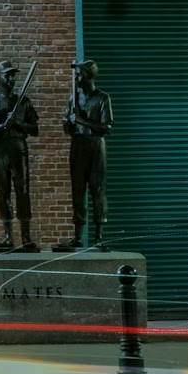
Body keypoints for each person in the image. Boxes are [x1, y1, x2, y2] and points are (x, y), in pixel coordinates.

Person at [0, 60, 39, 252]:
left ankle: (26, 235)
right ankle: (8, 236)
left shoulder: (24, 101)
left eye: (13, 75)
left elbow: (35, 129)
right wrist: (2, 126)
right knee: (2, 193)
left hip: (18, 149)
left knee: (22, 191)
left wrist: (18, 124)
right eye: (7, 75)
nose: (11, 78)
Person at [59, 59, 114, 251]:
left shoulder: (102, 98)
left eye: (80, 74)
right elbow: (67, 127)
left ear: (89, 76)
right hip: (78, 145)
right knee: (78, 190)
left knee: (98, 191)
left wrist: (82, 120)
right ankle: (77, 236)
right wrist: (68, 121)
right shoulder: (74, 98)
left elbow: (106, 127)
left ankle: (99, 236)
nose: (77, 77)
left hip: (96, 146)